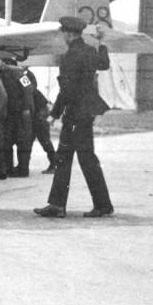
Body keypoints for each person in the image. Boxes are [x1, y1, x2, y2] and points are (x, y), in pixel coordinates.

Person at [34, 17, 113, 218]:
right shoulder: (89, 51)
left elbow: (67, 90)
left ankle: (64, 205)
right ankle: (65, 205)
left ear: (68, 34)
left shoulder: (70, 56)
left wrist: (54, 114)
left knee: (78, 158)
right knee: (74, 157)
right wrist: (102, 43)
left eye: (64, 35)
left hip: (75, 113)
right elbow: (104, 64)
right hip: (85, 112)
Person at [0, 58, 31, 178]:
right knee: (6, 142)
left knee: (23, 142)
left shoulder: (17, 71)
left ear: (1, 60)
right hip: (6, 113)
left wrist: (26, 108)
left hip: (20, 111)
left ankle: (23, 170)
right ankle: (8, 169)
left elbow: (28, 88)